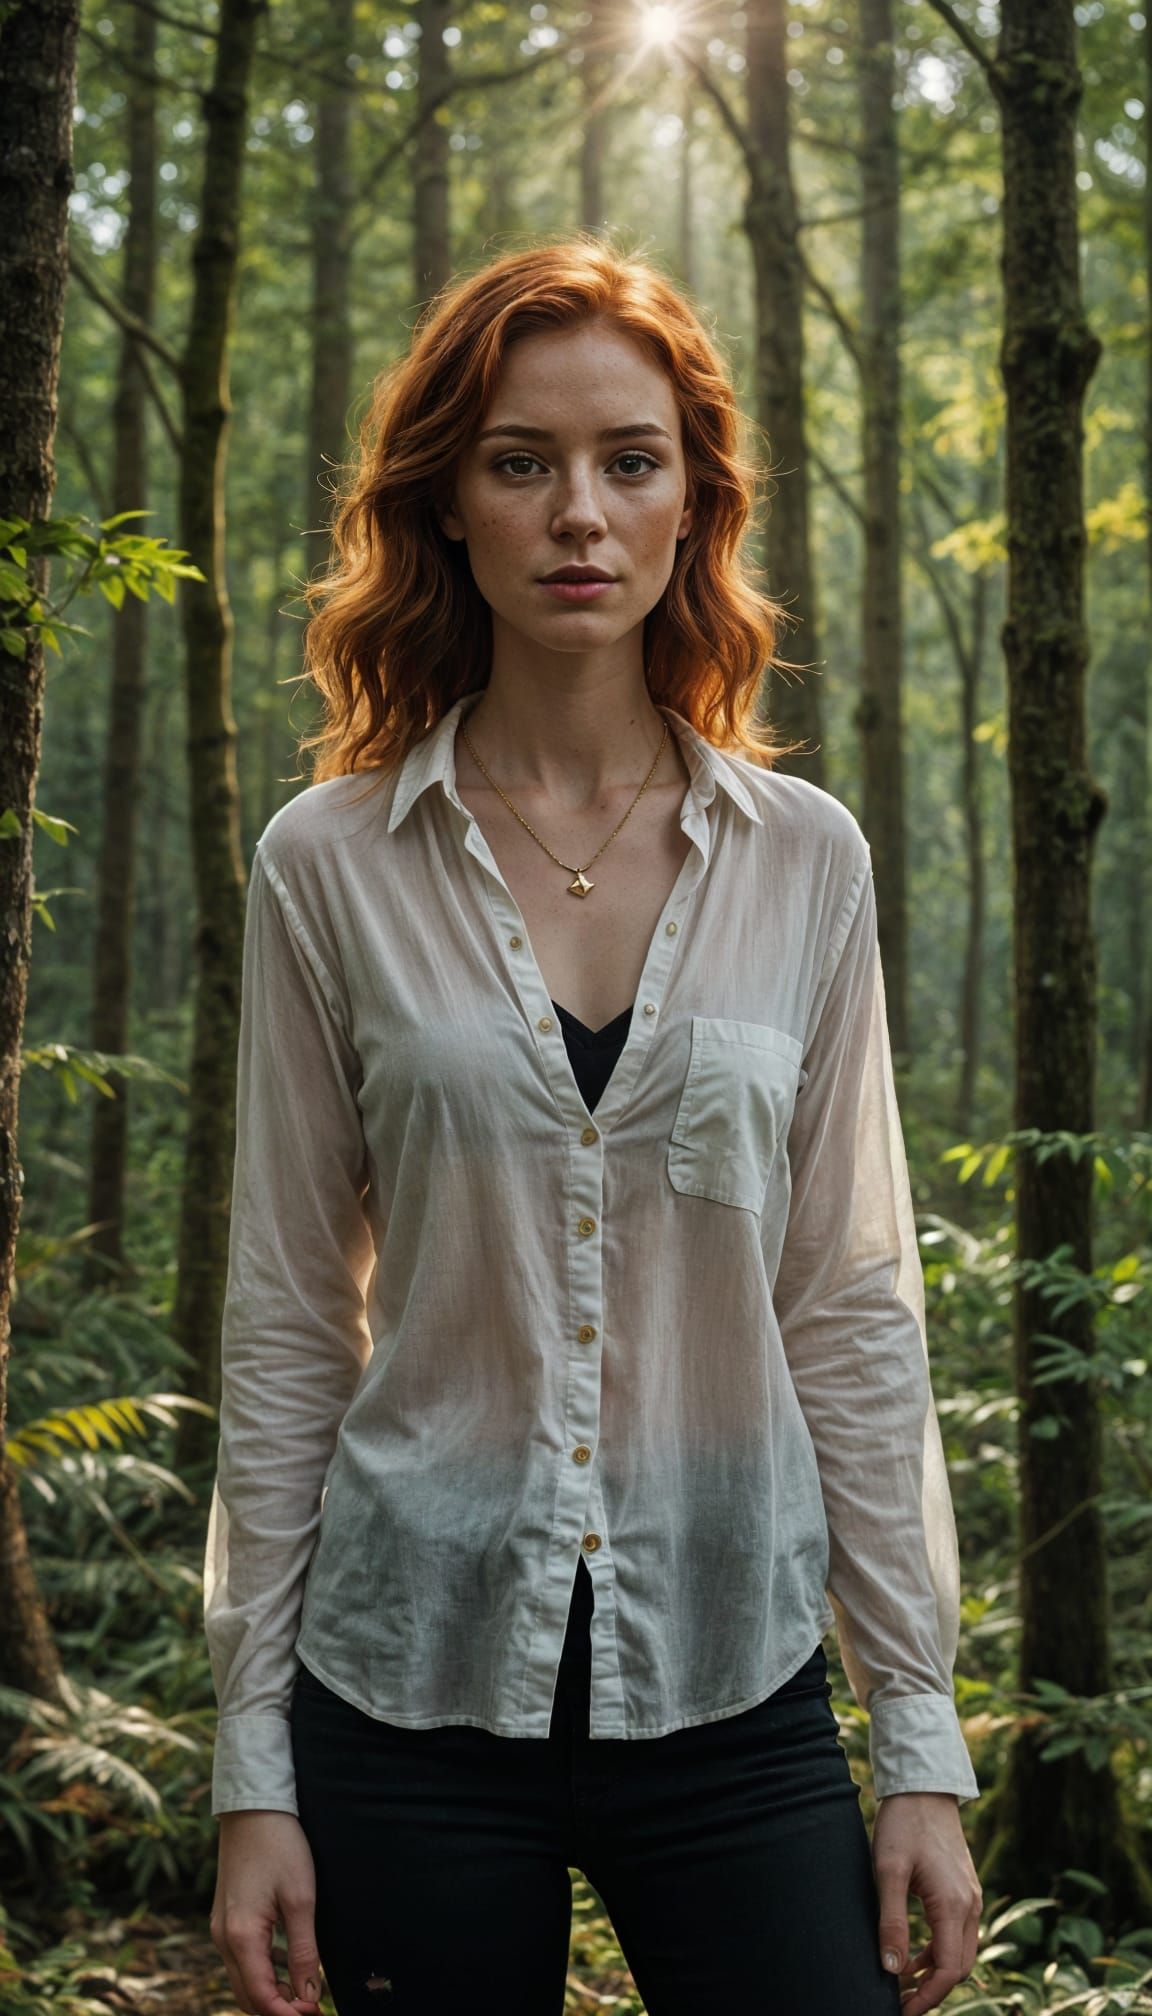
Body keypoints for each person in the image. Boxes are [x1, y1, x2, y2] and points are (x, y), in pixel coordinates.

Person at [205, 235, 982, 2016]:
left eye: (630, 461)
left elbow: (851, 1304)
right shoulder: (327, 866)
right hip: (402, 1683)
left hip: (734, 1673)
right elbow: (289, 1317)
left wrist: (918, 1741)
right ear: (447, 507)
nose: (579, 513)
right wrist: (254, 1766)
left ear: (691, 501)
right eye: (519, 461)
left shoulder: (810, 861)